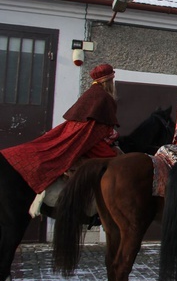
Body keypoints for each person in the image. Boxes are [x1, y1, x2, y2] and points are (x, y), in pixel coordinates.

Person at [1, 63, 120, 199]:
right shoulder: (104, 97)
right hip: (89, 141)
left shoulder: (91, 93)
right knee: (116, 163)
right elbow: (100, 128)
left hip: (85, 137)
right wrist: (112, 134)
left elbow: (92, 125)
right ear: (109, 81)